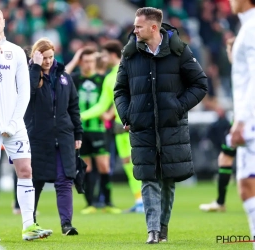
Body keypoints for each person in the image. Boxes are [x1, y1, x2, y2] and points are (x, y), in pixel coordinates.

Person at [114, 7, 207, 244]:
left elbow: (200, 84)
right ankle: (152, 231)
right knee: (148, 179)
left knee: (167, 180)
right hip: (142, 127)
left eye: (138, 26)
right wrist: (127, 115)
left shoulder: (180, 51)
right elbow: (120, 91)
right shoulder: (130, 54)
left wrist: (177, 107)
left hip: (171, 127)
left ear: (153, 27)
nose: (133, 30)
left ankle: (162, 228)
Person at [0, 7, 52, 242]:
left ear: (4, 22)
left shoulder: (15, 51)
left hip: (14, 122)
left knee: (26, 171)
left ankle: (28, 226)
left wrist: (15, 121)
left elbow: (24, 91)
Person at [25, 38, 83, 235]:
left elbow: (74, 107)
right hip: (38, 137)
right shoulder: (28, 75)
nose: (48, 61)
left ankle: (67, 224)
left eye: (51, 57)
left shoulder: (64, 77)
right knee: (36, 181)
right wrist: (35, 66)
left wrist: (78, 133)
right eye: (44, 58)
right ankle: (30, 222)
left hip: (64, 136)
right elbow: (28, 94)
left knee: (65, 180)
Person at [79, 40, 144, 213]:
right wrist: (81, 116)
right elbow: (102, 105)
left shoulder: (130, 71)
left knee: (140, 163)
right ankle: (140, 201)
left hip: (135, 125)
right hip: (119, 127)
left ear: (113, 55)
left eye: (105, 54)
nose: (102, 58)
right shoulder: (109, 78)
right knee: (128, 164)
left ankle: (148, 199)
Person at [68, 46, 121, 214]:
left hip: (99, 129)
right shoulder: (75, 79)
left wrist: (110, 113)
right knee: (87, 167)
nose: (89, 64)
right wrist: (75, 58)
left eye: (91, 61)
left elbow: (115, 97)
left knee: (104, 166)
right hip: (81, 130)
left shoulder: (103, 79)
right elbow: (61, 77)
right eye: (85, 61)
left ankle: (108, 203)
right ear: (80, 62)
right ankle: (90, 203)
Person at [227, 0, 255, 247]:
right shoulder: (246, 27)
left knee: (247, 184)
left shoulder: (251, 27)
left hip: (252, 120)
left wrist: (242, 120)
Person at [199, 37, 236, 212]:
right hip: (242, 120)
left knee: (226, 158)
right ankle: (220, 202)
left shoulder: (243, 70)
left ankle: (221, 202)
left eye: (229, 50)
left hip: (246, 121)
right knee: (225, 157)